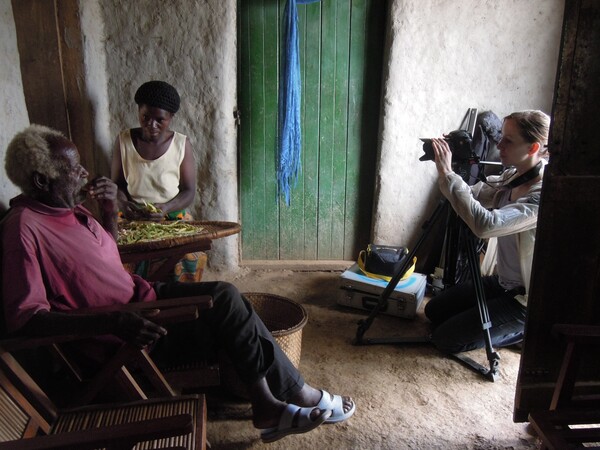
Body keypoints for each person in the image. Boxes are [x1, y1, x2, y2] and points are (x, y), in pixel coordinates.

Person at [2, 125, 356, 443]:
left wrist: (108, 210)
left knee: (228, 298)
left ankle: (271, 403)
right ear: (40, 181)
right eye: (71, 167)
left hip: (144, 298)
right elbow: (27, 319)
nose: (83, 172)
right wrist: (114, 321)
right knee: (229, 306)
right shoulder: (24, 229)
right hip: (131, 332)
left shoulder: (69, 209)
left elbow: (107, 255)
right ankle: (291, 398)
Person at [424, 110, 550, 354]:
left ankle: (521, 331)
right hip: (503, 282)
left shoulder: (541, 195)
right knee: (434, 311)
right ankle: (497, 324)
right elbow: (473, 193)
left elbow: (486, 225)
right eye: (501, 137)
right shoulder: (512, 176)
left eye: (508, 140)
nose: (499, 145)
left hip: (524, 299)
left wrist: (449, 175)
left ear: (533, 147)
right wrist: (459, 159)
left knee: (445, 339)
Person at [111, 80, 204, 282]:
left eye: (159, 120)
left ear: (170, 117)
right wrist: (125, 205)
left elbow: (188, 191)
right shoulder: (123, 141)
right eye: (145, 117)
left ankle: (176, 304)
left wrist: (165, 208)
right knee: (115, 255)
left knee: (187, 256)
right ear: (138, 112)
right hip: (132, 216)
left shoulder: (181, 144)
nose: (150, 124)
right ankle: (136, 303)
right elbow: (117, 184)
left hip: (171, 216)